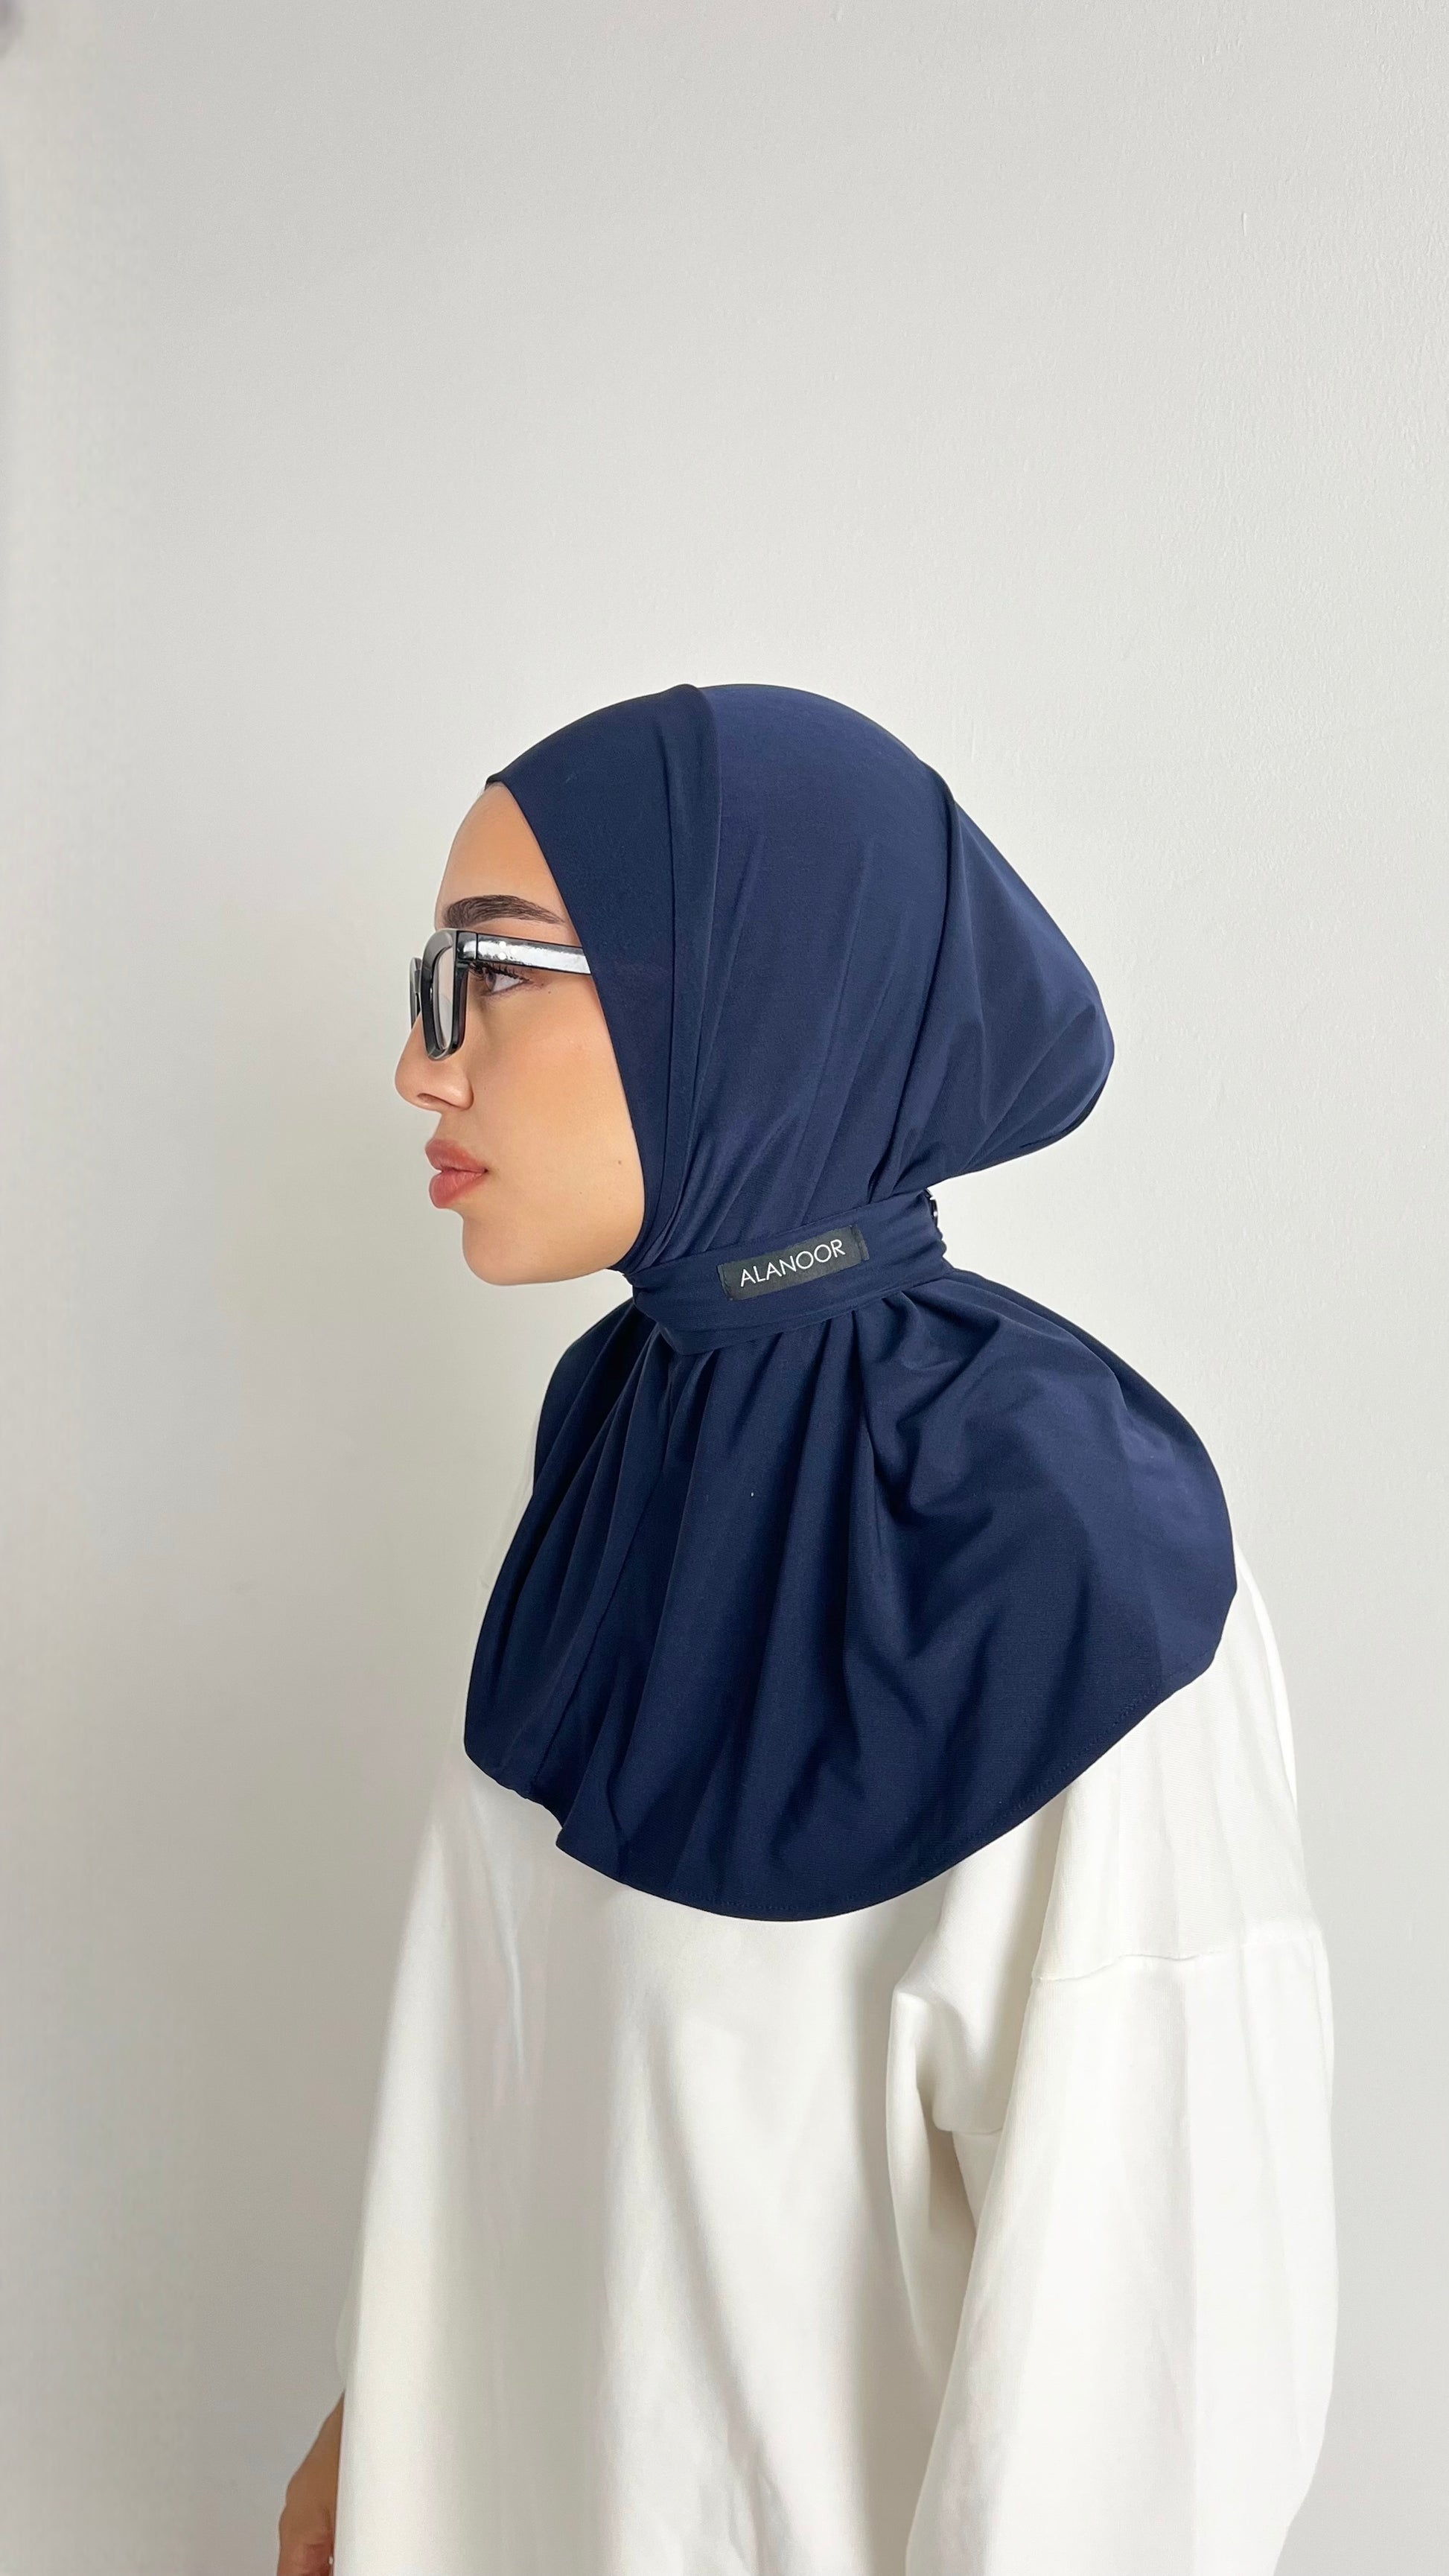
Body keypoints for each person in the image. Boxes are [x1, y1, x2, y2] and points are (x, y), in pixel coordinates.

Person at [278, 684, 1336, 2576]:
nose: (421, 1066)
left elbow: (1150, 2397)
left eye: (492, 972)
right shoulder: (621, 1421)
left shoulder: (1061, 1542)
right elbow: (559, 2082)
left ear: (741, 987)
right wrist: (385, 2434)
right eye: (429, 978)